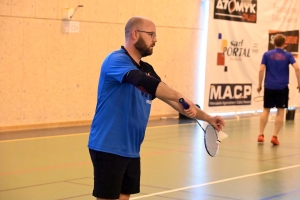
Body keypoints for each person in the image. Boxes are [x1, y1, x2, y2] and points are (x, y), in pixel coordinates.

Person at [88, 16, 225, 200]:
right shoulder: (116, 60)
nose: (155, 40)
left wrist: (207, 117)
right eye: (151, 34)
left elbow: (173, 100)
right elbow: (142, 82)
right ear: (135, 34)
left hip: (131, 149)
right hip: (108, 146)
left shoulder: (147, 68)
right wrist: (178, 95)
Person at [257, 33, 300, 145]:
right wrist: (299, 84)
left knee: (266, 110)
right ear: (284, 43)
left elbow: (261, 69)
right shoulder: (288, 55)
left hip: (269, 87)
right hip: (282, 88)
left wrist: (259, 85)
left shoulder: (266, 54)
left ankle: (261, 134)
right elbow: (297, 68)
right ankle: (274, 137)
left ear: (274, 42)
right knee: (280, 111)